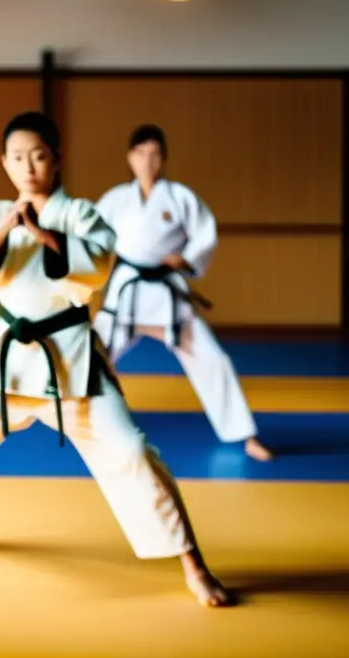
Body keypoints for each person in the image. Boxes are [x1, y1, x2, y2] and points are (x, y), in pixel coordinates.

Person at [0, 112, 232, 609]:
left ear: (56, 159)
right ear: (4, 163)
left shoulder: (81, 215)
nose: (28, 167)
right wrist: (8, 231)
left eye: (38, 155)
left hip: (70, 363)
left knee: (133, 453)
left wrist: (48, 236)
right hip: (7, 362)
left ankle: (193, 563)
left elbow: (97, 266)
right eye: (17, 157)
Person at [93, 125, 272, 462]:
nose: (147, 161)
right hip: (126, 295)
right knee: (92, 357)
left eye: (154, 154)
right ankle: (83, 425)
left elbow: (205, 234)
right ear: (130, 158)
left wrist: (186, 258)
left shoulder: (180, 197)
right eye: (141, 154)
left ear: (163, 159)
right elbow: (91, 240)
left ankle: (245, 434)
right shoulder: (116, 199)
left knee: (213, 359)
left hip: (166, 297)